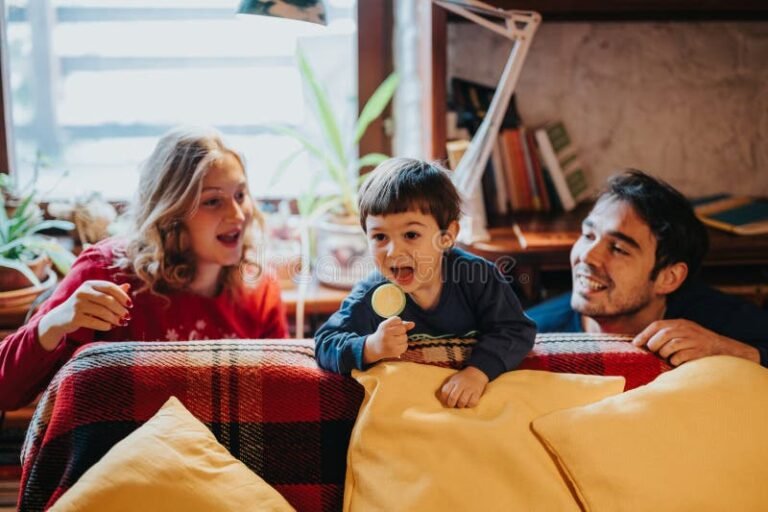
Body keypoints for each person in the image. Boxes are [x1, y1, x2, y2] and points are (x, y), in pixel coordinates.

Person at [0, 126, 289, 411]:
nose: (237, 214)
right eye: (213, 201)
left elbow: (280, 395)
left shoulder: (257, 286)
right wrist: (55, 321)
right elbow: (6, 391)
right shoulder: (106, 271)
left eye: (240, 195)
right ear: (171, 212)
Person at [314, 158, 536, 408]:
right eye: (379, 236)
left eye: (411, 235)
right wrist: (370, 346)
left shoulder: (479, 277)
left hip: (473, 406)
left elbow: (516, 330)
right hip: (409, 410)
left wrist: (478, 372)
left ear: (447, 236)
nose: (393, 250)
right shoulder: (372, 295)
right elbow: (325, 343)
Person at [527, 169, 768, 367]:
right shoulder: (531, 333)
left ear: (669, 277)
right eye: (588, 235)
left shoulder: (714, 325)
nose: (588, 257)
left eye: (619, 249)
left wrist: (732, 351)